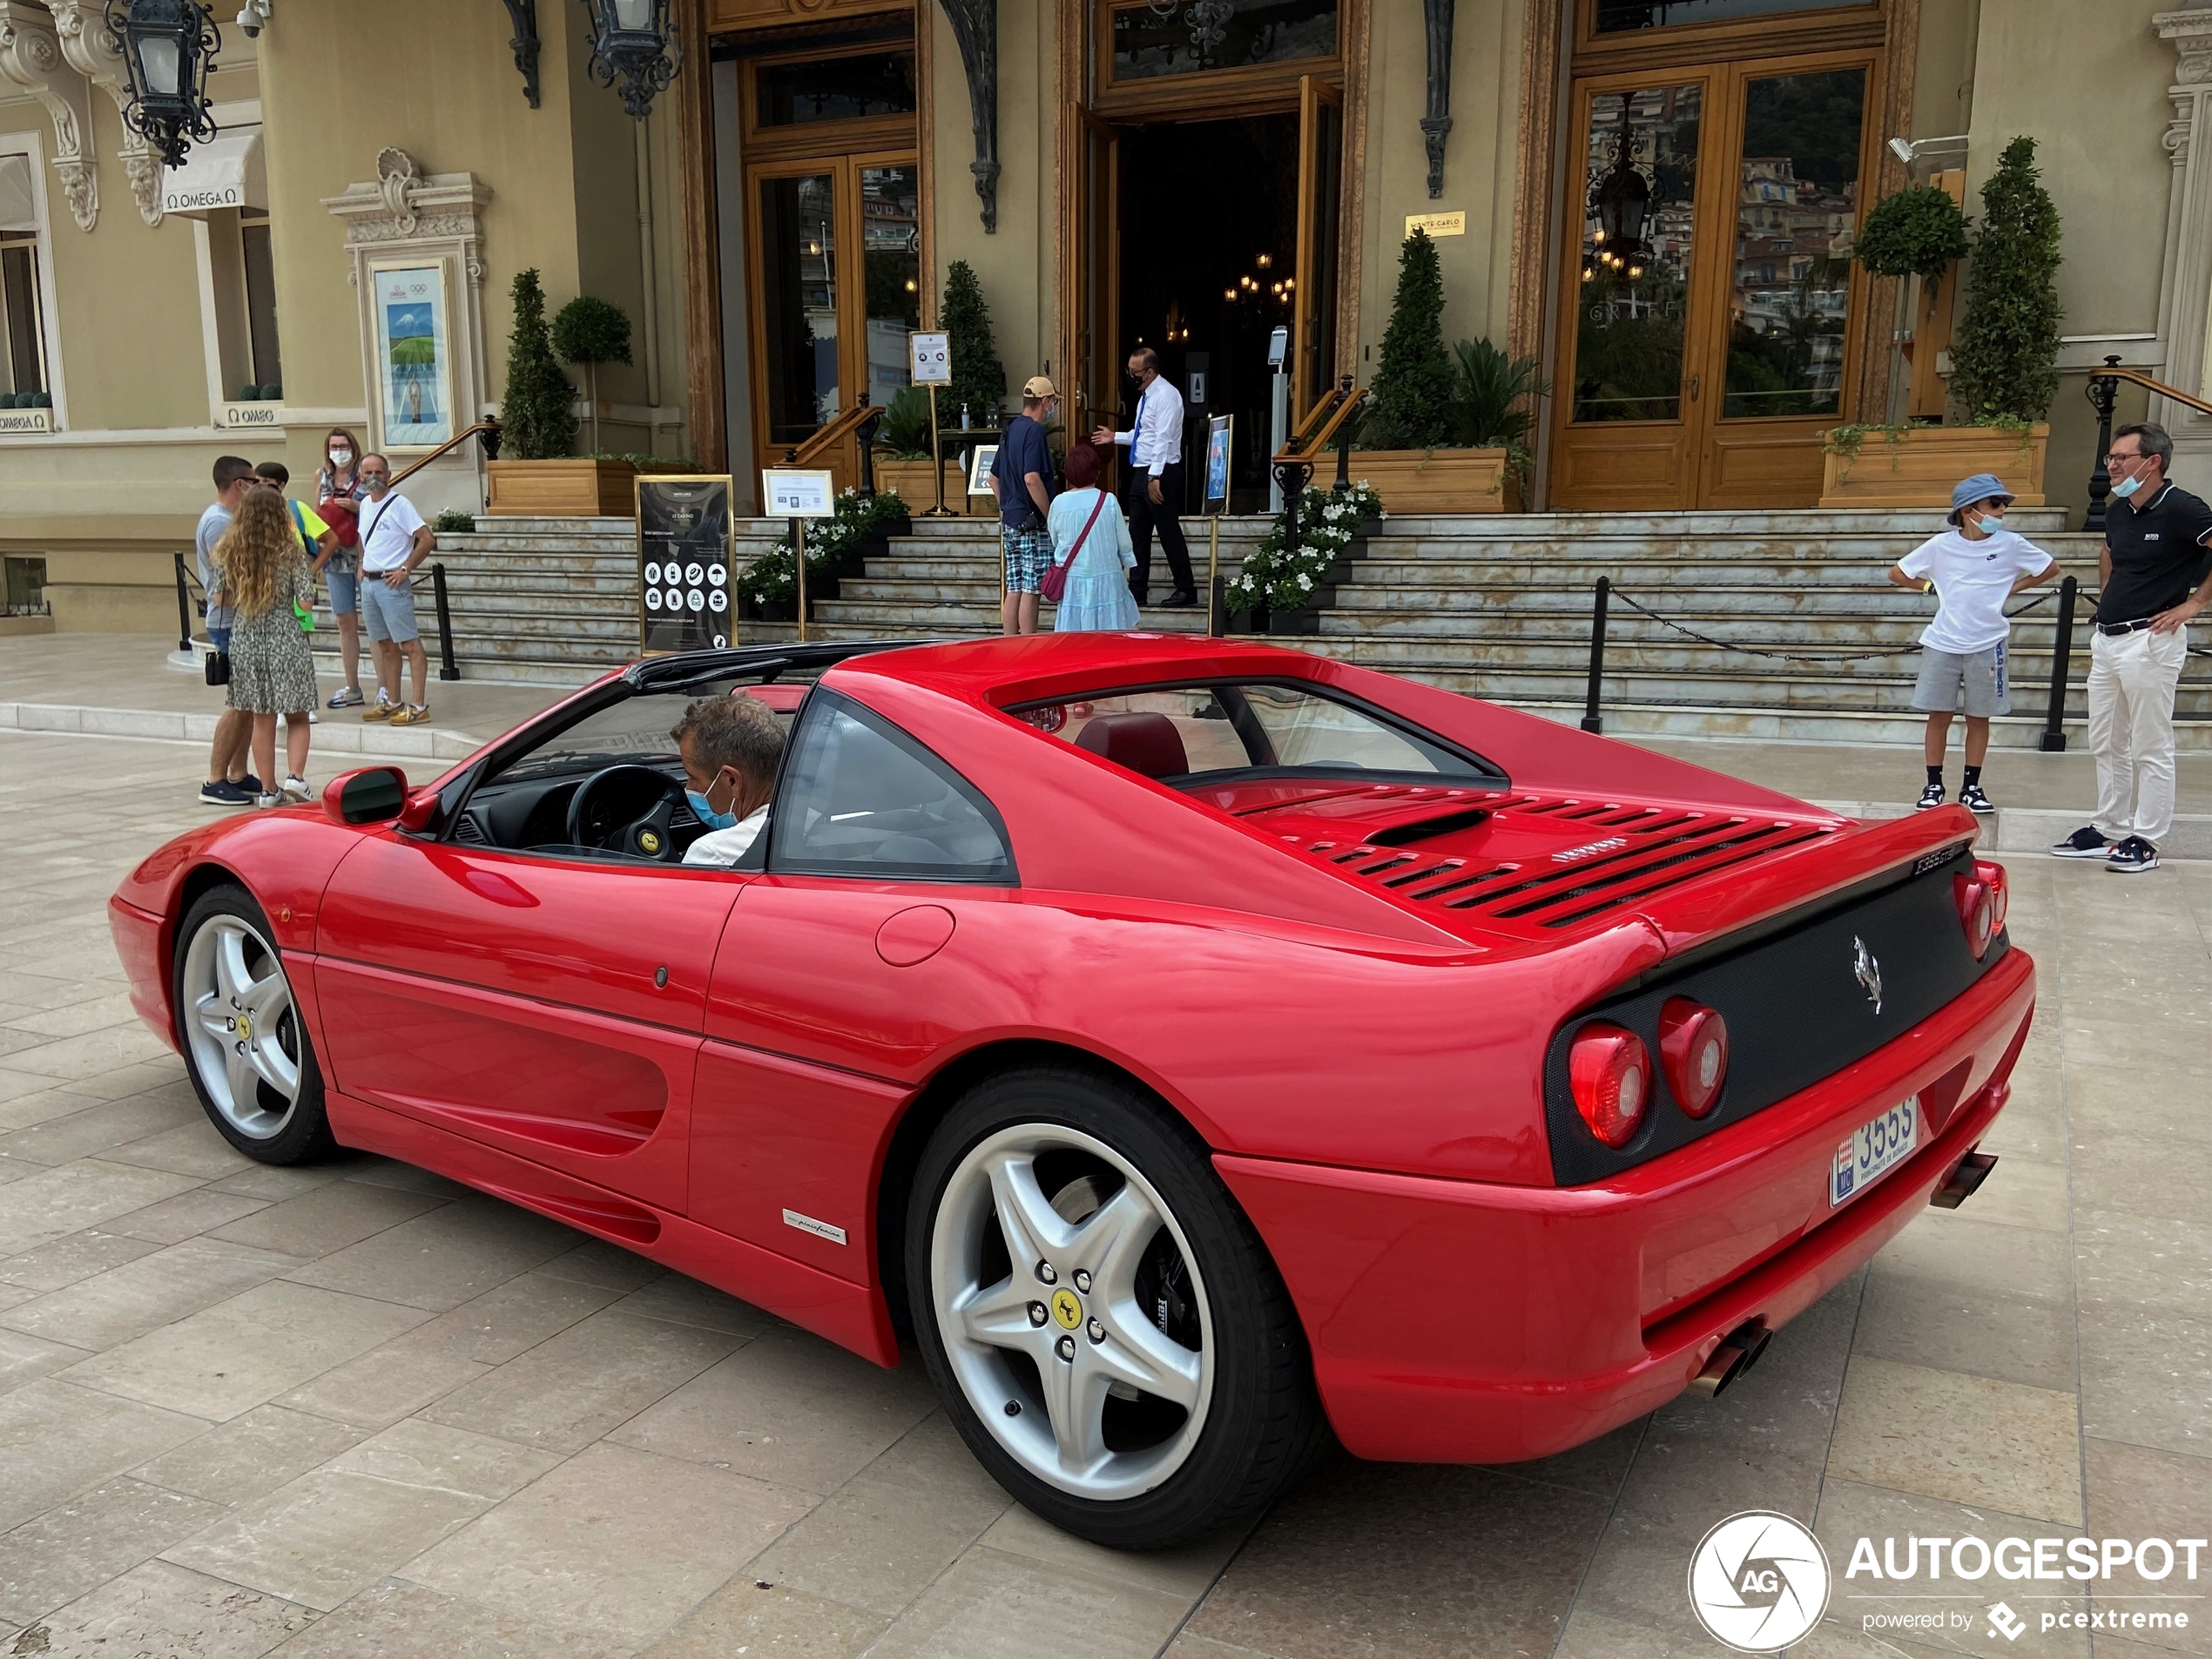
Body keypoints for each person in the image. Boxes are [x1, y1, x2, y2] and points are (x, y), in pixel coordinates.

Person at [2050, 421, 2212, 873]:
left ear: (2153, 461)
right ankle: (2109, 826)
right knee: (2106, 740)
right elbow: (2108, 553)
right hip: (2108, 640)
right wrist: (2107, 599)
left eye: (2121, 457)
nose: (2112, 466)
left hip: (2152, 640)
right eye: (2110, 458)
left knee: (2150, 744)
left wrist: (2195, 603)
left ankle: (2147, 837)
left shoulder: (2184, 509)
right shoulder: (2120, 511)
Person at [1887, 473, 2058, 813]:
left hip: (1989, 642)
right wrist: (1928, 588)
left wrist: (2013, 588)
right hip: (1943, 642)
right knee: (1939, 715)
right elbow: (1898, 572)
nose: (2001, 511)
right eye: (1994, 504)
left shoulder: (2011, 543)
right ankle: (1933, 784)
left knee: (1980, 717)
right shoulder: (1940, 545)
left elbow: (2049, 568)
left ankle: (1971, 787)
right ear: (1968, 510)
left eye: (2004, 504)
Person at [214, 488, 318, 806]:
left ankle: (269, 790)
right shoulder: (292, 553)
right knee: (298, 715)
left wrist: (249, 598)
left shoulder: (229, 550)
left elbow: (220, 598)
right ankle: (296, 778)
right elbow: (305, 602)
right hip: (285, 635)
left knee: (263, 717)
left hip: (246, 637)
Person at [1091, 347, 1196, 608]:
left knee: (1168, 531)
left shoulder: (1167, 395)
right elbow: (1144, 436)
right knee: (1137, 533)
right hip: (1142, 470)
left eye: (1135, 372)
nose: (1131, 376)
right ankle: (1137, 588)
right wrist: (1115, 437)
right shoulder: (1145, 397)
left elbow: (1162, 439)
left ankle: (1185, 588)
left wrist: (1155, 477)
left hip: (1160, 471)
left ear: (1149, 372)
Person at [197, 455, 263, 806]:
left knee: (248, 703)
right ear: (240, 484)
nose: (256, 488)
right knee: (239, 704)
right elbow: (226, 583)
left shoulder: (226, 520)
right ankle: (214, 779)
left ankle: (237, 773)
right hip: (229, 622)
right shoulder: (220, 524)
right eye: (253, 482)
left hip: (238, 619)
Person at [354, 454, 437, 725]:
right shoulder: (365, 504)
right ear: (361, 476)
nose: (373, 477)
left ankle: (419, 705)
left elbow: (426, 539)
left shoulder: (400, 504)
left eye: (379, 472)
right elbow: (362, 537)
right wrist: (361, 563)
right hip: (370, 582)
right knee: (385, 644)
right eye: (368, 472)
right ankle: (392, 701)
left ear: (388, 475)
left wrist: (406, 568)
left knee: (409, 644)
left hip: (392, 584)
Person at [672, 692, 785, 867]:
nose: (689, 787)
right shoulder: (822, 819)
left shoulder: (712, 855)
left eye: (693, 776)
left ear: (732, 781)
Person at [989, 374, 1059, 636]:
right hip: (1032, 523)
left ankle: (1009, 644)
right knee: (1032, 588)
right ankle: (1029, 648)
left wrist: (1006, 507)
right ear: (1044, 401)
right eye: (1052, 401)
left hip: (1011, 520)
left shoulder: (1011, 428)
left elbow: (993, 478)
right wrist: (1050, 517)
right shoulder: (1035, 431)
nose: (1052, 406)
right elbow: (1032, 478)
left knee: (1014, 585)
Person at [1049, 441, 1138, 632]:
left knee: (1074, 643)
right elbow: (1124, 544)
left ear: (1068, 474)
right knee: (1114, 638)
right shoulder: (1108, 501)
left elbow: (1055, 540)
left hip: (1073, 583)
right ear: (1097, 472)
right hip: (1108, 580)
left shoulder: (1058, 503)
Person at [314, 428, 369, 709]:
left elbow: (379, 510)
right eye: (334, 446)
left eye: (343, 445)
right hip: (334, 557)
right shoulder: (322, 476)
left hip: (363, 555)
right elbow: (317, 516)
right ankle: (352, 685)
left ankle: (386, 687)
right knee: (344, 622)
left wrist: (356, 507)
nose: (339, 450)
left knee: (374, 622)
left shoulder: (365, 474)